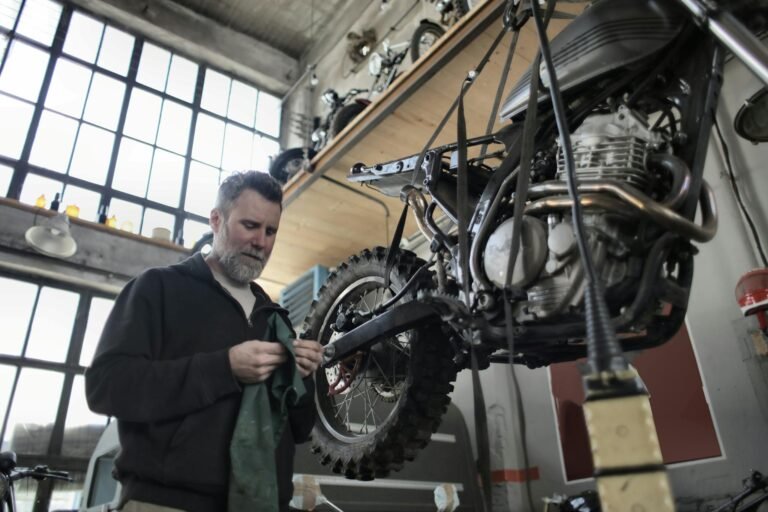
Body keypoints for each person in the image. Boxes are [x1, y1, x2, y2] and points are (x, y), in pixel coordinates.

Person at [86, 171, 324, 512]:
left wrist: (300, 378)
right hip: (165, 501)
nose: (261, 242)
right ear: (216, 219)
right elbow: (106, 386)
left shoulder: (276, 319)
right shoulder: (159, 289)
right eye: (250, 225)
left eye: (271, 231)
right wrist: (224, 368)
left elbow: (299, 430)